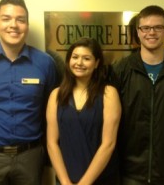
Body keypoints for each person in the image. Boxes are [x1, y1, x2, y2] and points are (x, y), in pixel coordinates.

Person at [0, 0, 58, 185]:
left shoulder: (45, 63)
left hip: (30, 157)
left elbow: (51, 111)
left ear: (27, 26)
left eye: (20, 20)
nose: (13, 25)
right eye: (6, 18)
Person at [111, 5, 164, 185]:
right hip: (130, 173)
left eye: (158, 27)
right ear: (138, 32)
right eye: (146, 28)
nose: (151, 32)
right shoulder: (121, 70)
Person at [46, 37, 121, 185]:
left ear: (97, 63)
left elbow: (109, 144)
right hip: (66, 179)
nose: (79, 63)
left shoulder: (108, 94)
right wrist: (65, 181)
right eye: (75, 57)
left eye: (86, 58)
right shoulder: (56, 95)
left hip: (102, 179)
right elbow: (52, 143)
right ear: (68, 61)